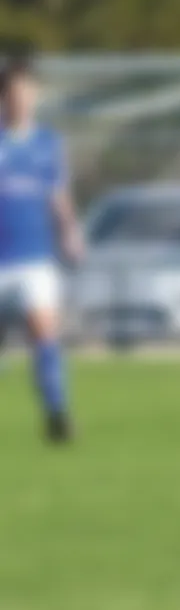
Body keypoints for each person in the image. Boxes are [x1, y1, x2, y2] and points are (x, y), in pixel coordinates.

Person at [0, 46, 82, 444]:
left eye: (27, 92)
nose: (22, 99)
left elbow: (58, 195)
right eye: (15, 92)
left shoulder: (48, 144)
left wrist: (70, 231)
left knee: (45, 336)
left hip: (35, 258)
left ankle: (57, 416)